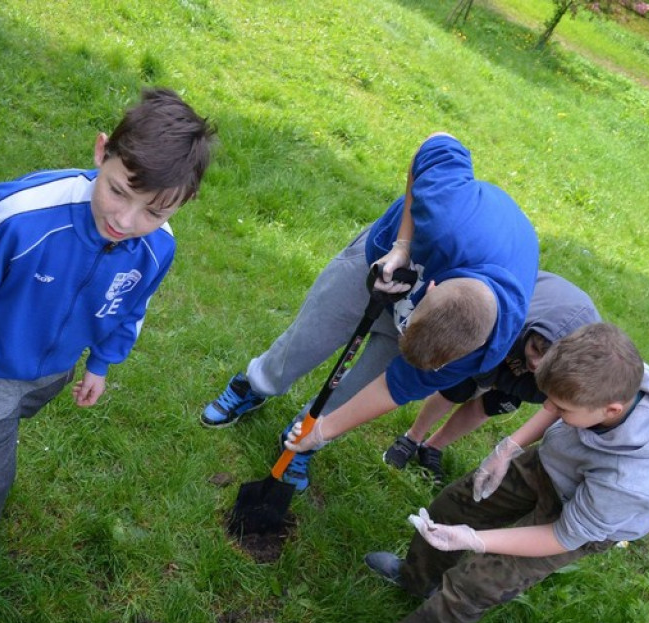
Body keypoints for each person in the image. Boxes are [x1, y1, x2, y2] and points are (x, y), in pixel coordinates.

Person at [0, 88, 215, 580]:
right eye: (117, 191)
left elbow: (131, 308)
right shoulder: (21, 216)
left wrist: (100, 363)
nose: (125, 221)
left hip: (54, 368)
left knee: (18, 414)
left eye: (154, 213)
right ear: (101, 151)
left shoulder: (157, 247)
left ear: (184, 202)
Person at [319, 323, 649, 623]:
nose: (550, 409)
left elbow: (562, 536)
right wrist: (509, 447)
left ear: (611, 411)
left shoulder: (633, 478)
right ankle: (416, 578)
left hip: (576, 519)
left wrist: (476, 540)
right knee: (454, 504)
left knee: (473, 586)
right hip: (557, 464)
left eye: (561, 410)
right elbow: (557, 400)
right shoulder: (613, 374)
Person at [201, 132, 539, 491]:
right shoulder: (447, 216)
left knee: (361, 383)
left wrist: (322, 432)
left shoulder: (482, 353)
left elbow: (392, 387)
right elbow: (436, 140)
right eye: (407, 326)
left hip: (451, 284)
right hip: (387, 260)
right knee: (311, 337)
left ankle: (304, 434)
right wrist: (403, 245)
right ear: (431, 288)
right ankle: (255, 385)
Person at [381, 270, 600, 485]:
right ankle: (412, 438)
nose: (536, 363)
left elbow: (555, 406)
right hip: (505, 336)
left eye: (546, 359)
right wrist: (487, 376)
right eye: (535, 349)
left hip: (551, 365)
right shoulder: (516, 319)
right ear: (532, 335)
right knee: (458, 387)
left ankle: (433, 447)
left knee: (493, 404)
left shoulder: (569, 371)